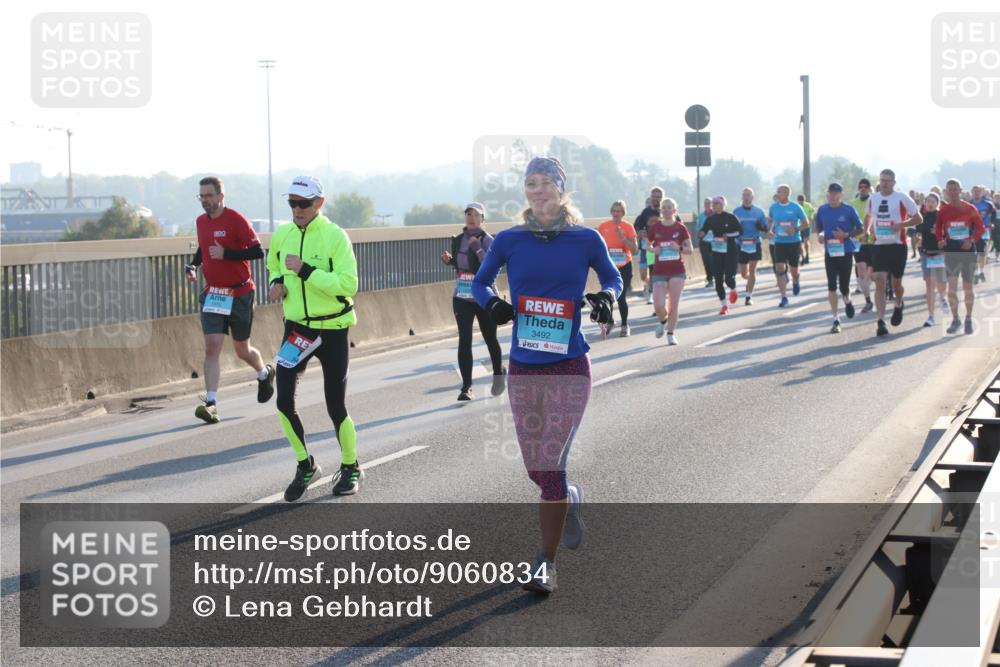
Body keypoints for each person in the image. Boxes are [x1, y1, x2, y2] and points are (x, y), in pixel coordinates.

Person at [471, 156, 622, 595]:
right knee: (537, 471)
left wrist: (605, 298)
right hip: (524, 368)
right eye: (531, 183)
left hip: (571, 365)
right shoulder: (510, 240)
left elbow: (613, 277)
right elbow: (479, 283)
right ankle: (570, 498)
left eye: (546, 183)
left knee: (551, 465)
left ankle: (545, 563)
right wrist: (493, 304)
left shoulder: (585, 238)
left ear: (561, 188)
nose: (538, 191)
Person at [267, 176, 362, 501]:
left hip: (333, 328)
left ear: (319, 203)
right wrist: (277, 282)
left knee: (335, 404)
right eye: (292, 203)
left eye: (303, 203)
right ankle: (305, 464)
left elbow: (348, 284)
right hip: (297, 329)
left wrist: (307, 271)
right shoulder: (283, 235)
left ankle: (350, 466)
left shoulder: (335, 236)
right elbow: (273, 264)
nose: (297, 209)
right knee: (282, 402)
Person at [185, 176, 273, 424]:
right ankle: (211, 404)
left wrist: (227, 254)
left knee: (241, 349)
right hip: (214, 293)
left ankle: (265, 373)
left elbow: (257, 251)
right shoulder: (201, 222)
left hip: (240, 293)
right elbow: (203, 249)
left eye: (209, 196)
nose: (205, 200)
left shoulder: (236, 220)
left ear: (221, 196)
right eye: (201, 196)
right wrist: (192, 266)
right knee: (212, 346)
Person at [439, 202, 505, 401]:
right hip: (462, 297)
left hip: (484, 296)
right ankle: (466, 387)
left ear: (482, 219)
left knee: (490, 338)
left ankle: (498, 374)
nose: (471, 217)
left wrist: (478, 248)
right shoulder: (458, 239)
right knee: (464, 339)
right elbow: (460, 265)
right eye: (468, 213)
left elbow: (490, 267)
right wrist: (449, 260)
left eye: (475, 214)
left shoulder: (489, 240)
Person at [865, 168, 921, 337]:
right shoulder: (873, 198)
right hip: (879, 245)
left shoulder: (902, 198)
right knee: (880, 280)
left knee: (896, 284)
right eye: (882, 180)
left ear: (894, 183)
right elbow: (869, 217)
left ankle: (898, 302)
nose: (885, 183)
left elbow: (919, 219)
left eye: (888, 180)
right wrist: (867, 229)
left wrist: (901, 225)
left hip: (898, 246)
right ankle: (881, 321)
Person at [936, 178, 986, 334]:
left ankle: (969, 318)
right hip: (951, 251)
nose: (952, 192)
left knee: (967, 287)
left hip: (967, 252)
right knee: (951, 289)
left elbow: (980, 229)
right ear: (946, 191)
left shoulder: (970, 208)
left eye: (955, 189)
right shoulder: (943, 210)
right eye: (949, 189)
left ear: (960, 190)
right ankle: (956, 319)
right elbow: (938, 229)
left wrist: (971, 240)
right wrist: (940, 240)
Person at [814, 183, 863, 333]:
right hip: (830, 252)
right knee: (831, 286)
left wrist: (846, 235)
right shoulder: (822, 210)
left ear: (841, 195)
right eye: (830, 193)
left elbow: (860, 228)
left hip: (846, 251)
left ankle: (847, 301)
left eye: (835, 193)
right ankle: (836, 319)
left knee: (843, 286)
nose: (833, 196)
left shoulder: (848, 210)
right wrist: (821, 236)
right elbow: (819, 228)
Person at [647, 198, 692, 344]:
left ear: (674, 210)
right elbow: (647, 246)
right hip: (659, 270)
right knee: (658, 304)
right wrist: (655, 250)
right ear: (661, 210)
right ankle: (663, 320)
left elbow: (689, 250)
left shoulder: (680, 228)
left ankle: (671, 334)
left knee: (674, 304)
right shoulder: (655, 228)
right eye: (664, 207)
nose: (666, 210)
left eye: (669, 207)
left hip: (677, 270)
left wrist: (678, 248)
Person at [597, 200, 638, 337]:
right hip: (608, 266)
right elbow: (597, 246)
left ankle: (625, 324)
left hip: (624, 265)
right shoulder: (604, 226)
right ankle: (610, 321)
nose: (616, 213)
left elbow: (635, 249)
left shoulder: (628, 227)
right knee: (607, 296)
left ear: (623, 213)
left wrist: (623, 238)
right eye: (614, 211)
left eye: (619, 211)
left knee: (620, 297)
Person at [698, 196, 742, 315]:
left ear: (723, 204)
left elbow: (739, 232)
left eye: (717, 203)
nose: (715, 205)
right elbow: (704, 230)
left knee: (728, 279)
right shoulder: (710, 219)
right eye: (714, 203)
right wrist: (700, 234)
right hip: (716, 251)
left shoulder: (731, 217)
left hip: (730, 251)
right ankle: (724, 305)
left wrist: (729, 236)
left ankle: (733, 289)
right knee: (718, 279)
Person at [768, 184, 809, 307]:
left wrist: (795, 230)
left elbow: (806, 223)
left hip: (793, 242)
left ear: (787, 194)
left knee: (794, 271)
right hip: (779, 242)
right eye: (778, 191)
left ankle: (796, 281)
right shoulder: (773, 207)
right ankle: (783, 297)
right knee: (779, 268)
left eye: (781, 192)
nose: (779, 193)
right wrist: (769, 230)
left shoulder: (795, 207)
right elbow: (770, 220)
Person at [914, 192, 947, 327]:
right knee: (929, 283)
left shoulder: (942, 217)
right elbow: (917, 232)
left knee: (940, 282)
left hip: (938, 253)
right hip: (925, 253)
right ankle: (931, 316)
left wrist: (941, 234)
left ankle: (943, 298)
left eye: (933, 201)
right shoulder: (922, 217)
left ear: (937, 203)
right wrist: (918, 239)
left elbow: (949, 233)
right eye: (928, 201)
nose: (930, 203)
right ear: (925, 203)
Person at [733, 187, 768, 305]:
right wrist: (737, 230)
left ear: (753, 197)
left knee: (752, 270)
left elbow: (766, 227)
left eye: (748, 195)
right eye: (744, 195)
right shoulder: (736, 211)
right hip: (741, 244)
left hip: (755, 243)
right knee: (744, 274)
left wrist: (761, 227)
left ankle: (748, 296)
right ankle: (751, 282)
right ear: (742, 197)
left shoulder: (759, 211)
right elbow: (732, 228)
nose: (746, 197)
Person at [633, 188, 664, 304]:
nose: (656, 198)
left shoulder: (665, 210)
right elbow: (637, 228)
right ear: (651, 197)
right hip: (648, 246)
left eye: (658, 196)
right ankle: (650, 291)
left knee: (657, 271)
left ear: (662, 197)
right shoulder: (645, 212)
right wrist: (640, 233)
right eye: (654, 196)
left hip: (663, 247)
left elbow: (677, 223)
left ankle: (654, 294)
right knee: (648, 272)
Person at [851, 178, 875, 312]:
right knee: (861, 270)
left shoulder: (875, 200)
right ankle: (868, 301)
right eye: (861, 186)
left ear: (869, 188)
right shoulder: (852, 203)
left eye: (865, 186)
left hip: (874, 241)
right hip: (858, 242)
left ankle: (886, 289)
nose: (863, 188)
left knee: (872, 274)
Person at [971, 185, 997, 283]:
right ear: (972, 193)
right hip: (972, 232)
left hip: (984, 231)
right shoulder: (969, 204)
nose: (976, 193)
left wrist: (992, 223)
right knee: (973, 253)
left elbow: (994, 214)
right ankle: (977, 272)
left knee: (981, 253)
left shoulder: (988, 204)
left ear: (982, 192)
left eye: (978, 191)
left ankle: (980, 271)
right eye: (974, 191)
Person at [695, 197, 714, 288]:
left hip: (715, 242)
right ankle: (710, 279)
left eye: (709, 203)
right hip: (704, 241)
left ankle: (718, 277)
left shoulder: (716, 215)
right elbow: (697, 229)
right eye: (706, 203)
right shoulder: (701, 216)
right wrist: (702, 232)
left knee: (715, 260)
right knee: (706, 261)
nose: (707, 205)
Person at [797, 194, 815, 264]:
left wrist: (810, 218)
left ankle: (807, 255)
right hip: (799, 227)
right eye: (800, 201)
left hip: (806, 226)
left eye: (802, 201)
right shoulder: (797, 206)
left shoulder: (808, 205)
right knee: (799, 243)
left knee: (806, 241)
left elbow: (812, 212)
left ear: (804, 200)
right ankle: (803, 257)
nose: (801, 202)